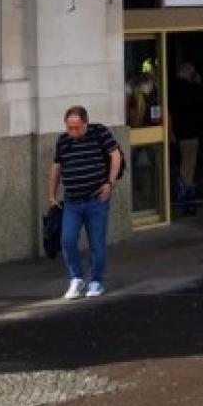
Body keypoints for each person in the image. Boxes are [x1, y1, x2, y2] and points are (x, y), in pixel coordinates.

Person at [48, 105, 123, 299]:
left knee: (97, 242)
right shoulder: (63, 141)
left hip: (97, 197)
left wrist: (110, 183)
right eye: (69, 127)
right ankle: (76, 278)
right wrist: (52, 194)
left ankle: (96, 281)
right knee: (68, 239)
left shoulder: (99, 132)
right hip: (72, 200)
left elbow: (115, 155)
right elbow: (57, 167)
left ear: (86, 123)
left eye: (77, 127)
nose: (73, 132)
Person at [169, 61, 203, 215]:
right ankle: (186, 196)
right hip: (190, 133)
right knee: (188, 166)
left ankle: (180, 194)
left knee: (179, 165)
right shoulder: (192, 89)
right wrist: (198, 82)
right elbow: (202, 103)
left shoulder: (173, 89)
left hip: (176, 133)